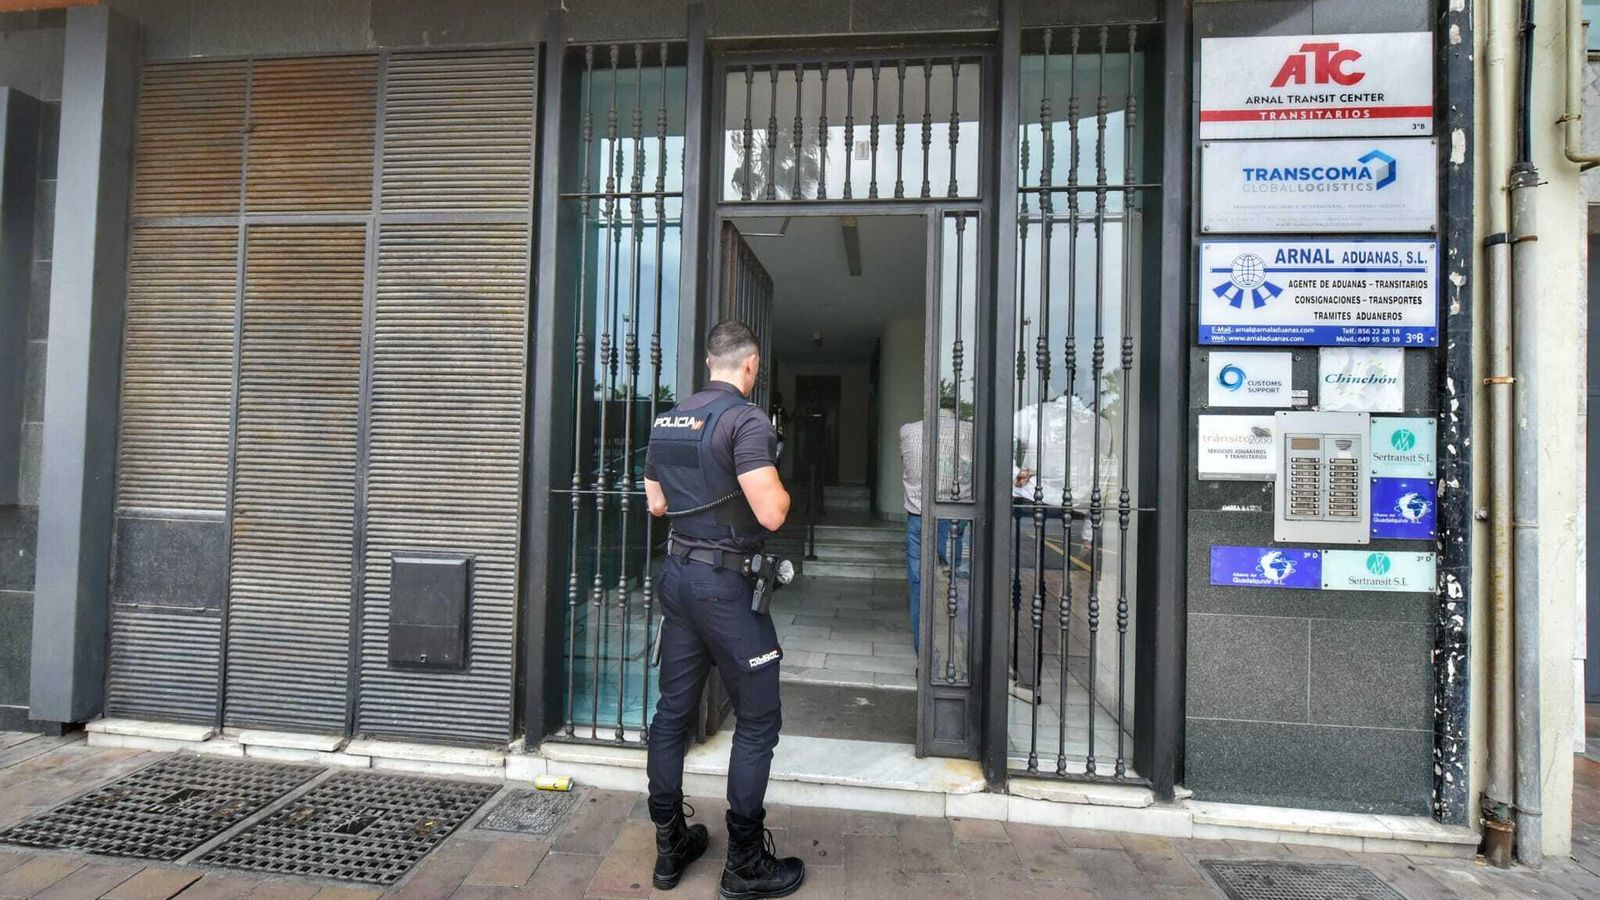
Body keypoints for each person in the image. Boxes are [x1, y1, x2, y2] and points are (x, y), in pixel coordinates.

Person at [642, 321, 806, 899]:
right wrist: (781, 487)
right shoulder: (746, 420)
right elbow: (772, 514)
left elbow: (656, 503)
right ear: (751, 365)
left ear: (709, 361)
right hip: (726, 586)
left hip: (678, 578)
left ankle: (670, 847)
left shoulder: (667, 420)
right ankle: (744, 865)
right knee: (758, 720)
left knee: (672, 713)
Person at [897, 402, 972, 649]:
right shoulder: (969, 431)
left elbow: (907, 464)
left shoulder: (908, 430)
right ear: (954, 411)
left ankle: (925, 654)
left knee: (919, 586)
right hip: (956, 516)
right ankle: (958, 648)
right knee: (956, 584)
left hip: (919, 516)